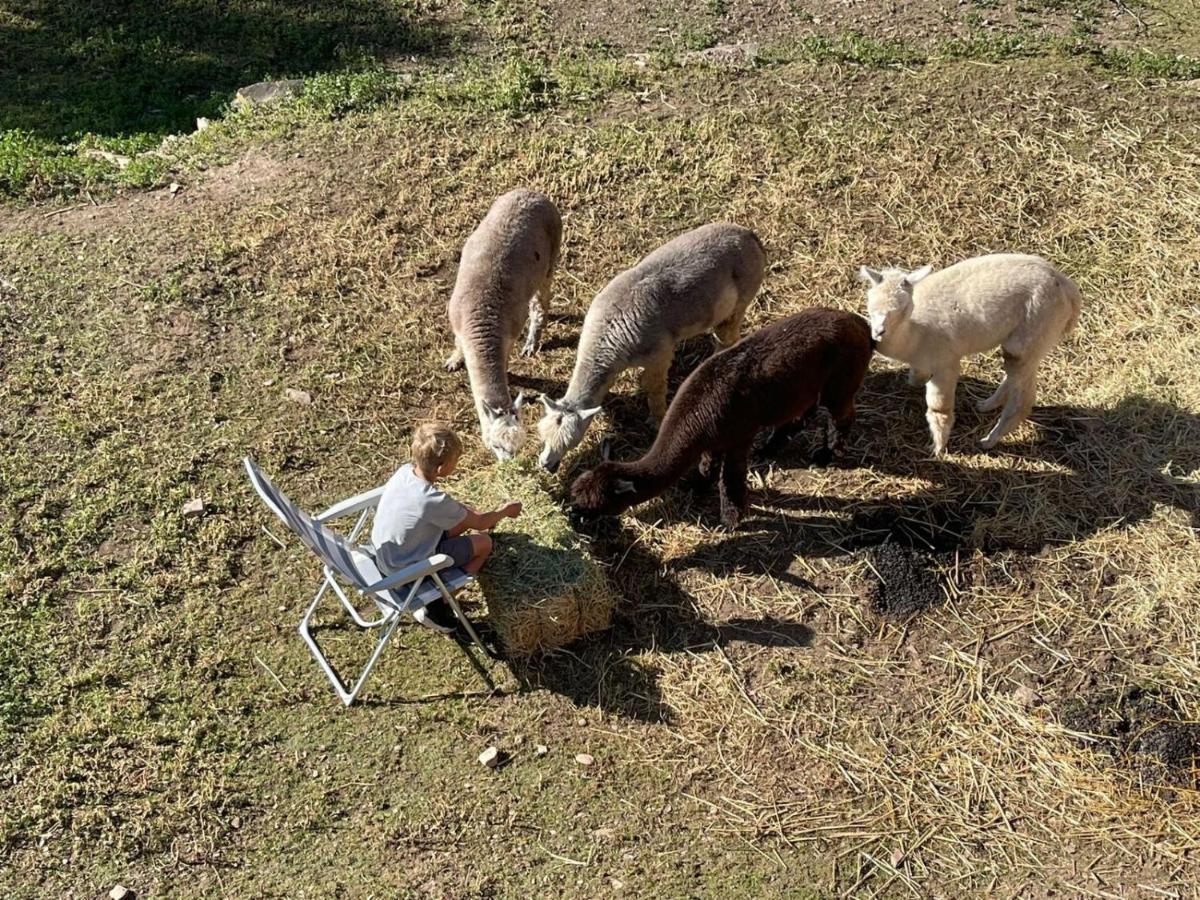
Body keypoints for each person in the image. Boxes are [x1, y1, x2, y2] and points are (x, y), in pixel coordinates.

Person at [371, 421, 521, 633]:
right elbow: (481, 524)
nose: (458, 464)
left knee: (464, 515)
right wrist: (506, 510)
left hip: (388, 555)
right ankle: (439, 603)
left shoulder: (404, 472)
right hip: (406, 570)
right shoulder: (431, 500)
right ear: (441, 468)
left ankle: (439, 595)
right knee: (484, 543)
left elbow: (466, 516)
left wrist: (475, 516)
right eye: (456, 461)